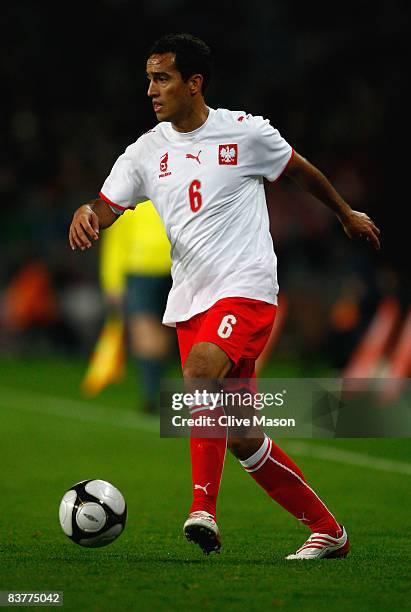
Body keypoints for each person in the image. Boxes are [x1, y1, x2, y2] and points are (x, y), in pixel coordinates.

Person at [69, 33, 381, 559]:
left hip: (247, 289)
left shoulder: (244, 133)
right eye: (148, 78)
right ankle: (329, 531)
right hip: (192, 299)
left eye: (162, 77)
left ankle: (202, 510)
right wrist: (86, 216)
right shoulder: (147, 151)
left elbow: (300, 170)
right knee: (241, 437)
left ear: (195, 84)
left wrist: (346, 213)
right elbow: (104, 206)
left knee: (198, 372)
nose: (151, 89)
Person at [82, 201, 173, 412]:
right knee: (146, 329)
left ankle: (155, 391)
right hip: (142, 268)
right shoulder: (132, 183)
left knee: (163, 331)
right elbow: (116, 236)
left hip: (173, 267)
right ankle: (153, 393)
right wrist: (112, 280)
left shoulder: (171, 180)